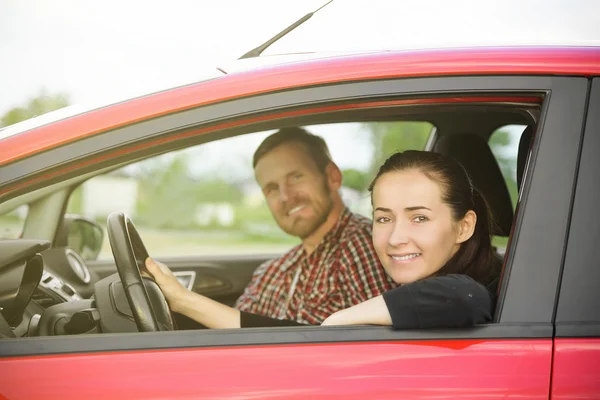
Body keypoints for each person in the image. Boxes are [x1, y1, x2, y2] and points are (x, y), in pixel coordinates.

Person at [146, 150, 500, 330]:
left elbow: (464, 297)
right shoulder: (280, 265)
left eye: (419, 217)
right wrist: (182, 301)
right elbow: (287, 334)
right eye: (383, 218)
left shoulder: (477, 286)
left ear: (464, 226)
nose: (395, 237)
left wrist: (331, 325)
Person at [147, 127, 394, 326]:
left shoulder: (364, 245)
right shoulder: (274, 271)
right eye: (272, 189)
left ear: (332, 177)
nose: (286, 196)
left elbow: (376, 347)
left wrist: (183, 300)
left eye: (296, 177)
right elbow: (232, 334)